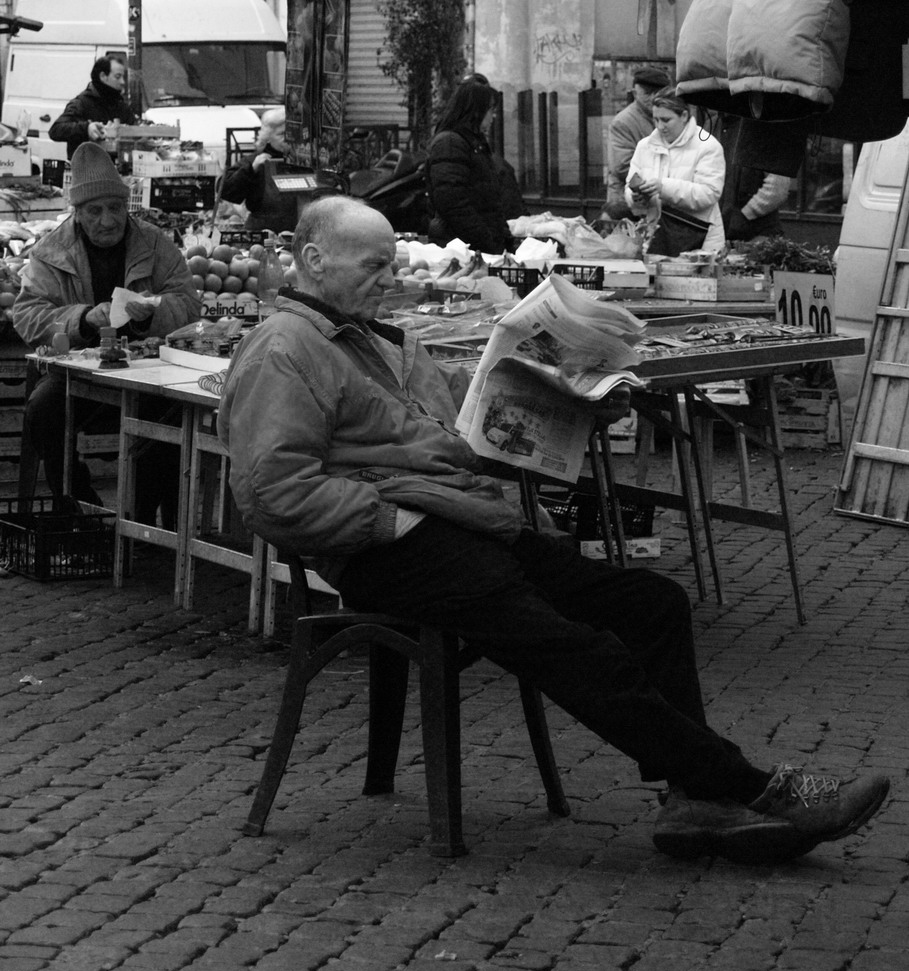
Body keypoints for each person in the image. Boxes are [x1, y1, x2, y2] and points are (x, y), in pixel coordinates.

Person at [218, 194, 889, 864]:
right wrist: (392, 519)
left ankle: (696, 800)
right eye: (373, 265)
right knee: (573, 647)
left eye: (390, 263)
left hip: (459, 517)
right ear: (314, 260)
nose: (388, 278)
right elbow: (273, 493)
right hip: (387, 543)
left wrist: (577, 401)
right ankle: (748, 788)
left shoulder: (376, 338)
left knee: (651, 604)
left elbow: (465, 409)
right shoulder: (284, 348)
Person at [14, 142, 201, 523]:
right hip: (79, 375)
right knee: (43, 410)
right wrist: (83, 319)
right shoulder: (51, 252)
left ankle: (141, 524)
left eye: (115, 208)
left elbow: (189, 305)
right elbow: (28, 314)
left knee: (171, 412)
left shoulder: (155, 244)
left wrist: (151, 315)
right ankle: (82, 513)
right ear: (78, 213)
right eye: (95, 211)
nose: (107, 220)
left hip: (148, 372)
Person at [626, 88, 727, 253]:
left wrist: (663, 187)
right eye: (656, 119)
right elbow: (629, 186)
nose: (660, 126)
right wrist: (635, 198)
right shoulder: (645, 146)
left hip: (698, 241)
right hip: (655, 239)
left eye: (666, 120)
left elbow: (709, 193)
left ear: (684, 116)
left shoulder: (708, 146)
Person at [426, 73, 514, 254]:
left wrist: (505, 241)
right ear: (476, 111)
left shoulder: (476, 144)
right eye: (490, 110)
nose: (493, 116)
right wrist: (486, 242)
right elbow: (453, 203)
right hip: (460, 250)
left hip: (481, 247)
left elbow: (493, 203)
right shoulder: (450, 143)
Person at [602, 66, 672, 221]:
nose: (653, 98)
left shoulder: (670, 118)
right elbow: (622, 167)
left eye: (658, 92)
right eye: (647, 93)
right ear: (635, 93)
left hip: (658, 201)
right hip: (625, 205)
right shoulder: (623, 122)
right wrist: (663, 179)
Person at [220, 108, 300, 235]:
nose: (288, 138)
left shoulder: (305, 161)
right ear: (267, 137)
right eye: (281, 134)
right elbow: (224, 189)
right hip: (260, 234)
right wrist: (251, 169)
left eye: (291, 133)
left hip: (298, 233)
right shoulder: (255, 160)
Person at [49, 57, 136, 160]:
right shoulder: (81, 103)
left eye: (123, 77)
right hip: (86, 167)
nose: (122, 82)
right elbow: (56, 130)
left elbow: (134, 127)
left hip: (116, 167)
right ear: (103, 76)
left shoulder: (121, 106)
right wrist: (87, 129)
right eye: (118, 77)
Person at [720, 116, 790, 241]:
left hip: (760, 234)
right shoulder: (713, 124)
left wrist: (745, 214)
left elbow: (778, 187)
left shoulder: (764, 126)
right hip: (723, 234)